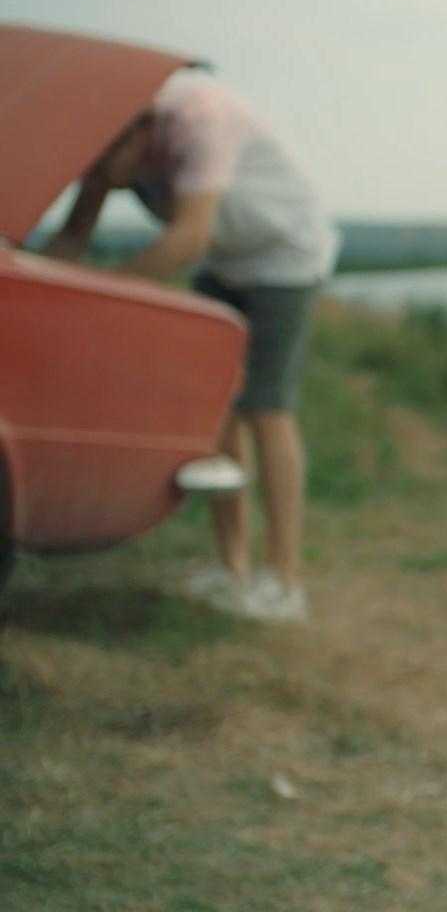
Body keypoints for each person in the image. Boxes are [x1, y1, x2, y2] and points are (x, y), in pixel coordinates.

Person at [43, 66, 339, 623]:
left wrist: (99, 297)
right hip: (223, 261)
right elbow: (72, 236)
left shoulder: (199, 116)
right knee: (218, 410)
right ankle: (233, 572)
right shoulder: (107, 136)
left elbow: (189, 235)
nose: (102, 179)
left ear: (138, 132)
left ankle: (284, 583)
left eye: (107, 167)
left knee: (266, 407)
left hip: (284, 255)